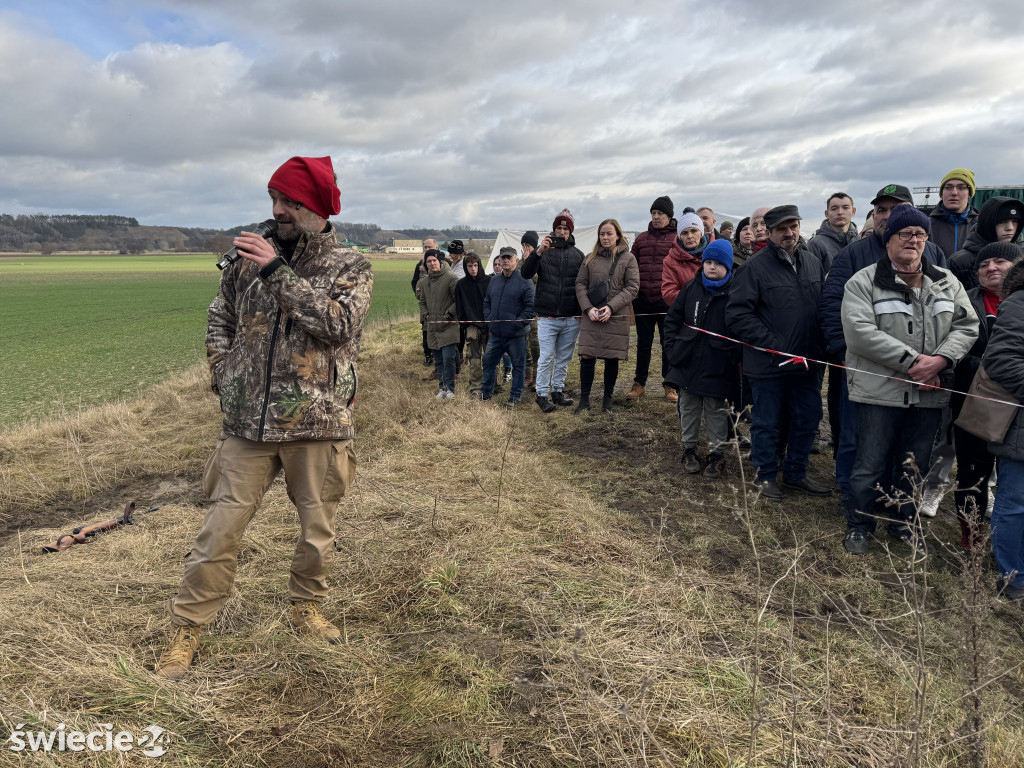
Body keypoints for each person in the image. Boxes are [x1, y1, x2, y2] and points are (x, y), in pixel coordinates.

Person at [155, 156, 373, 679]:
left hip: (316, 422)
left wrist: (277, 271)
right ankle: (188, 627)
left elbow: (337, 326)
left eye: (289, 203)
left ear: (317, 208)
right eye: (273, 199)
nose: (276, 211)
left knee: (317, 529)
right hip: (247, 423)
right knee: (220, 527)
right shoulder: (245, 257)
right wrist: (222, 374)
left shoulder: (350, 265)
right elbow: (219, 315)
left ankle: (306, 604)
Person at [840, 204, 977, 555]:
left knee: (914, 464)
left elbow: (968, 325)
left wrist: (942, 359)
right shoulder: (864, 281)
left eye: (920, 234)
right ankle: (859, 524)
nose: (913, 240)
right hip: (879, 392)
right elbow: (859, 333)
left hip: (928, 394)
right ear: (889, 240)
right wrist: (914, 362)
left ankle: (904, 523)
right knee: (869, 462)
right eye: (905, 234)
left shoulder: (947, 282)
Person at [819, 184, 948, 514]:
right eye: (881, 210)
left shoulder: (931, 255)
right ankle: (851, 496)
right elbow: (833, 304)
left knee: (905, 441)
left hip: (917, 372)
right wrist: (844, 352)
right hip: (863, 367)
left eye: (896, 209)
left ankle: (895, 501)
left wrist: (937, 360)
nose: (887, 216)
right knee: (854, 434)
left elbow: (947, 310)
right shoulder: (854, 254)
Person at [726, 205, 830, 501]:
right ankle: (765, 475)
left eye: (793, 226)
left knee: (808, 417)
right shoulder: (753, 268)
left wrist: (820, 344)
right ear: (768, 232)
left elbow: (819, 306)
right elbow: (737, 315)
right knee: (767, 422)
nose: (789, 233)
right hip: (768, 363)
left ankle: (796, 472)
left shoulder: (812, 262)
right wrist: (772, 343)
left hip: (806, 361)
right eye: (782, 229)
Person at [950, 242, 1016, 548]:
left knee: (1012, 479)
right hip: (973, 401)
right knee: (972, 473)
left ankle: (1007, 540)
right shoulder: (963, 302)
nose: (991, 268)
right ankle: (972, 536)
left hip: (1018, 408)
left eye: (1000, 261)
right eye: (983, 264)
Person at [665, 239, 740, 479]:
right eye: (708, 262)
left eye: (718, 263)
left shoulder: (735, 292)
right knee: (688, 406)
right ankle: (689, 449)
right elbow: (672, 320)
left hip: (719, 364)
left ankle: (716, 455)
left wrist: (733, 356)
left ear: (728, 267)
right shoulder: (691, 288)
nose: (712, 267)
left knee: (716, 410)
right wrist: (673, 349)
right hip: (688, 361)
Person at [981, 257, 1024, 605]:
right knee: (1016, 501)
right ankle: (1013, 578)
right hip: (1021, 424)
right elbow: (1001, 360)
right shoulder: (1019, 303)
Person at [574, 219, 640, 412]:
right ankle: (584, 400)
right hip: (592, 314)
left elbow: (632, 287)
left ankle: (607, 400)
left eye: (609, 233)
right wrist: (588, 308)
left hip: (616, 315)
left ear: (618, 235)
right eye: (602, 234)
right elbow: (580, 285)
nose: (605, 237)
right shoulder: (589, 258)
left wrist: (611, 307)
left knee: (611, 357)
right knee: (587, 356)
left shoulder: (628, 259)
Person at [521, 209, 583, 412]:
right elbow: (526, 274)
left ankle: (557, 390)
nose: (562, 231)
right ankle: (541, 394)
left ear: (570, 231)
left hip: (571, 316)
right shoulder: (543, 252)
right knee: (546, 356)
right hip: (547, 315)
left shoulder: (578, 255)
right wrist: (538, 252)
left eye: (566, 228)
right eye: (559, 228)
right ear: (553, 229)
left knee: (564, 356)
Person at [629, 196, 678, 402]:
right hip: (643, 299)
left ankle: (670, 384)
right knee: (644, 344)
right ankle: (640, 383)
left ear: (669, 216)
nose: (656, 217)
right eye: (653, 213)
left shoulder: (677, 238)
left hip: (666, 301)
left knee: (668, 344)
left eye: (660, 214)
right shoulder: (641, 239)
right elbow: (631, 265)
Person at [479, 247, 535, 407]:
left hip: (516, 335)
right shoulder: (494, 280)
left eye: (509, 258)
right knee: (488, 361)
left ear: (516, 260)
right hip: (496, 333)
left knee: (518, 366)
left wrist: (516, 324)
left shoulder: (526, 281)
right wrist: (489, 318)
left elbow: (530, 308)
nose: (505, 260)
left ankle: (515, 397)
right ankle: (485, 392)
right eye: (503, 258)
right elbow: (487, 302)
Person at [946, 196, 1023, 289]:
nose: (1010, 227)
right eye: (1003, 221)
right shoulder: (960, 262)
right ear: (988, 223)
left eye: (1015, 221)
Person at [417, 249, 460, 398]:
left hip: (449, 326)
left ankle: (450, 389)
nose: (432, 263)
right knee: (439, 360)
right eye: (429, 261)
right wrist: (426, 315)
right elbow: (422, 301)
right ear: (426, 264)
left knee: (448, 359)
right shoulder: (425, 282)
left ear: (439, 262)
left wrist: (448, 314)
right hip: (432, 327)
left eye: (434, 260)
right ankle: (442, 387)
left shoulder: (451, 278)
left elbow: (458, 300)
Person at [455, 252, 491, 395]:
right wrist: (465, 324)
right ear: (465, 267)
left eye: (475, 265)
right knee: (474, 358)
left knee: (491, 356)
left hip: (489, 324)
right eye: (470, 266)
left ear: (479, 265)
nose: (473, 269)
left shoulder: (489, 281)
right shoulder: (461, 285)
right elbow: (459, 307)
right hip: (471, 326)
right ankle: (476, 387)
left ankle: (494, 384)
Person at [927, 168, 979, 258]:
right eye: (948, 187)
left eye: (961, 187)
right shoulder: (926, 225)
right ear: (941, 194)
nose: (954, 192)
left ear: (969, 194)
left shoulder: (981, 226)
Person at [661, 212, 707, 307]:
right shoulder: (670, 261)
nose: (690, 236)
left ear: (701, 233)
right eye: (684, 233)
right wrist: (699, 297)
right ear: (679, 236)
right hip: (685, 315)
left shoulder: (716, 253)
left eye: (694, 231)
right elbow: (669, 294)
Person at [807, 192, 858, 272]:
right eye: (834, 209)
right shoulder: (815, 245)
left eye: (845, 208)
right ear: (827, 214)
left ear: (853, 211)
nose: (840, 212)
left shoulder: (860, 241)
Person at [520, 231, 542, 389]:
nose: (525, 248)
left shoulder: (540, 258)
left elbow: (535, 279)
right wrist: (523, 262)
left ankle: (537, 377)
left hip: (537, 311)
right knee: (525, 345)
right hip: (522, 310)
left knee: (536, 346)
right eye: (523, 245)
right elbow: (519, 277)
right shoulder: (520, 261)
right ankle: (528, 375)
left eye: (528, 245)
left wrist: (529, 261)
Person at [414, 237, 440, 366]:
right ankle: (427, 355)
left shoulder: (444, 262)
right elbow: (414, 282)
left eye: (429, 247)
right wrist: (421, 295)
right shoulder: (420, 264)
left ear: (436, 247)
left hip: (441, 305)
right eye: (425, 247)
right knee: (426, 331)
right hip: (426, 305)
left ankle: (439, 356)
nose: (427, 249)